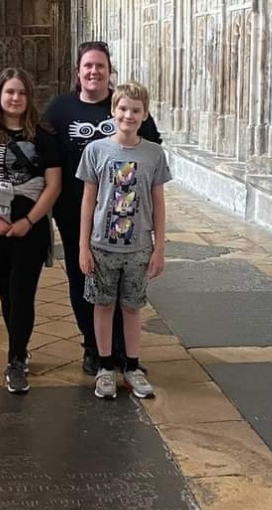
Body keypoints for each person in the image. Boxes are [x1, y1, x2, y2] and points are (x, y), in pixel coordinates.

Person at [42, 41, 163, 377]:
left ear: (110, 71)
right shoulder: (59, 109)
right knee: (85, 280)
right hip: (75, 213)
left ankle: (123, 352)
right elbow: (46, 155)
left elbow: (150, 151)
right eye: (88, 66)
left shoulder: (125, 105)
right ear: (78, 72)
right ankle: (93, 348)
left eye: (100, 66)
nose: (94, 72)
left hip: (125, 217)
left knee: (125, 285)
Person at [0, 67, 62, 395]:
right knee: (6, 291)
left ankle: (16, 359)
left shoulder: (44, 136)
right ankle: (19, 346)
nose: (15, 98)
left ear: (28, 97)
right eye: (9, 92)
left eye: (21, 92)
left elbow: (53, 185)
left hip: (29, 223)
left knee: (23, 291)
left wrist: (29, 221)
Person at [77, 82, 171, 399]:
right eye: (123, 109)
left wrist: (159, 248)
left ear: (144, 115)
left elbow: (158, 202)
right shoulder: (96, 151)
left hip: (138, 247)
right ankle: (105, 367)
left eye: (135, 110)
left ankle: (131, 365)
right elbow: (88, 201)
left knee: (132, 307)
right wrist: (82, 246)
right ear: (113, 111)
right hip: (102, 245)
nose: (128, 115)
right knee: (103, 305)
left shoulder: (154, 153)